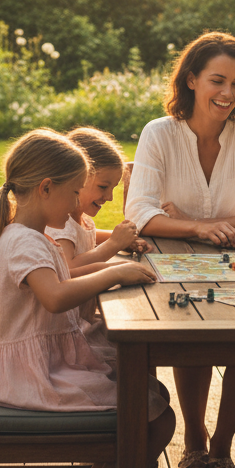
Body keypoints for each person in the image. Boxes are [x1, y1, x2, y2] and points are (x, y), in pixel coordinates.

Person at [0, 128, 175, 468]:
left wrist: (111, 266)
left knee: (148, 398)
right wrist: (115, 271)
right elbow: (55, 297)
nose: (75, 206)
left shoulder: (30, 233)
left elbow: (63, 278)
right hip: (28, 378)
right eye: (71, 194)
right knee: (155, 418)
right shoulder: (25, 241)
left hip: (39, 366)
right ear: (45, 188)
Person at [125, 31, 235, 468]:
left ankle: (220, 450)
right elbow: (139, 214)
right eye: (218, 80)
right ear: (192, 79)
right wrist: (199, 229)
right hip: (172, 264)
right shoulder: (159, 133)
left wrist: (191, 221)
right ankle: (193, 445)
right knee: (186, 328)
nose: (227, 93)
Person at [45, 126, 153, 336]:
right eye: (103, 187)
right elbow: (68, 270)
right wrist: (114, 245)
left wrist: (124, 240)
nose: (110, 197)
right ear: (76, 178)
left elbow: (85, 237)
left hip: (79, 320)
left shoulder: (77, 219)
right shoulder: (60, 223)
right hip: (64, 330)